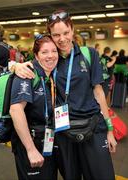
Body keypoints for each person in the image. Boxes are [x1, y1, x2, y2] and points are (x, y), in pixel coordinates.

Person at [13, 10, 117, 180]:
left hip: (93, 125)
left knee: (102, 175)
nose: (62, 39)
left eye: (66, 33)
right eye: (56, 35)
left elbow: (99, 93)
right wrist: (14, 66)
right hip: (64, 132)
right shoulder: (51, 58)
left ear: (73, 29)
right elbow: (31, 66)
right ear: (50, 35)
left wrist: (109, 129)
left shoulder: (89, 54)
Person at [9, 34, 58, 180]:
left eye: (54, 51)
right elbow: (16, 110)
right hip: (30, 142)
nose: (50, 56)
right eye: (44, 52)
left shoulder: (51, 75)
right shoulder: (28, 73)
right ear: (36, 55)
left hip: (47, 140)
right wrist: (31, 150)